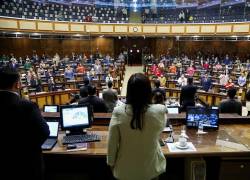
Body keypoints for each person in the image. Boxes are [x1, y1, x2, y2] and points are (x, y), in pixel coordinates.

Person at [107, 73, 167, 180]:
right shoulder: (160, 111)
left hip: (124, 171)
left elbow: (112, 143)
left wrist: (111, 164)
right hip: (151, 170)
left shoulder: (118, 112)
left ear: (128, 91)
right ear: (149, 91)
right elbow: (159, 131)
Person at [0, 67, 49, 179]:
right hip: (27, 166)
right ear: (17, 85)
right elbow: (44, 132)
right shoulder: (27, 106)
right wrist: (29, 148)